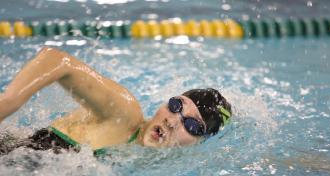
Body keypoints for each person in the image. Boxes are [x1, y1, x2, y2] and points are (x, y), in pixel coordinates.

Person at [0, 47, 232, 155]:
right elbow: (58, 60)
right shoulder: (125, 114)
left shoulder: (149, 161)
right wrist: (10, 101)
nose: (172, 122)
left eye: (191, 126)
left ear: (199, 143)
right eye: (176, 106)